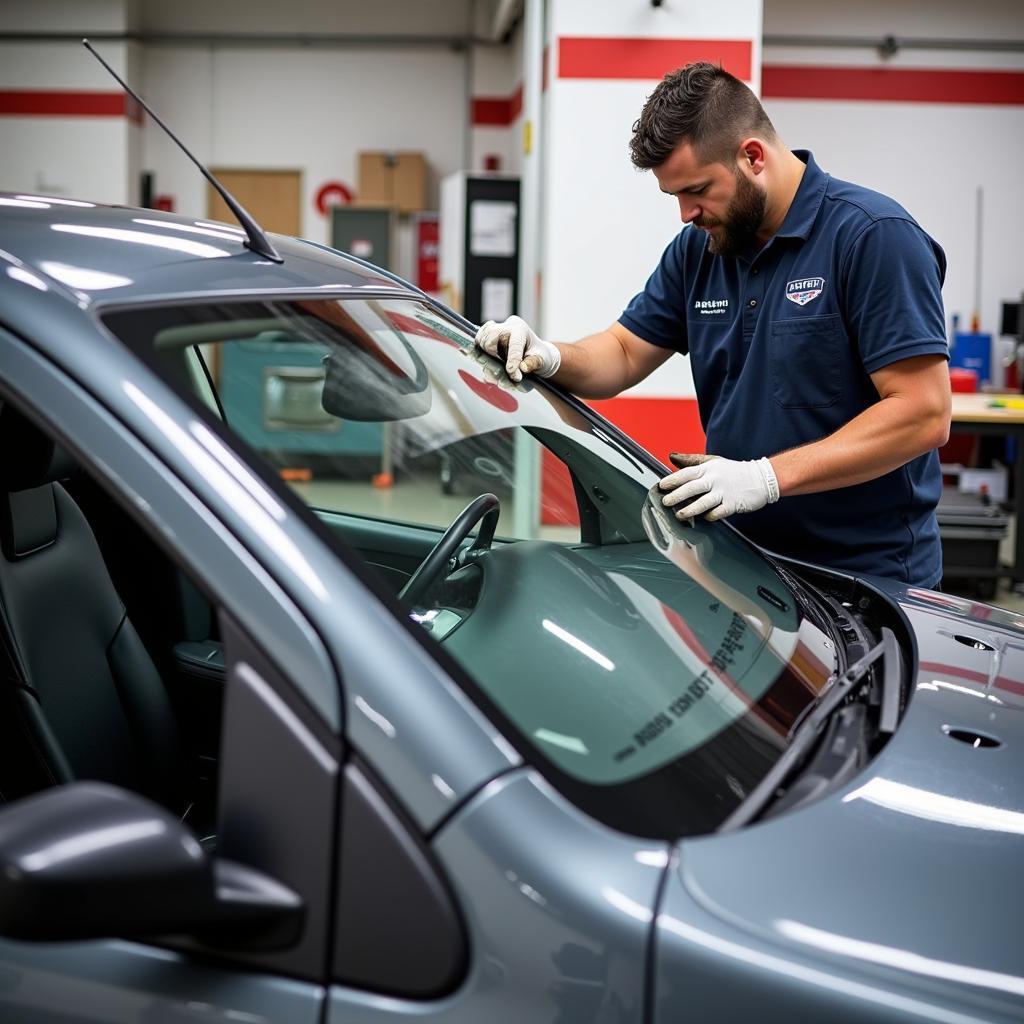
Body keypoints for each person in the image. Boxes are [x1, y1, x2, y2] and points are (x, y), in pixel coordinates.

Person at [475, 61, 951, 588]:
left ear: (752, 156)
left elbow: (922, 413)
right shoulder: (701, 250)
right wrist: (552, 355)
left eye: (697, 190)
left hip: (866, 582)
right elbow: (624, 352)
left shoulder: (872, 238)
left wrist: (765, 478)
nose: (685, 214)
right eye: (674, 196)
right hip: (745, 565)